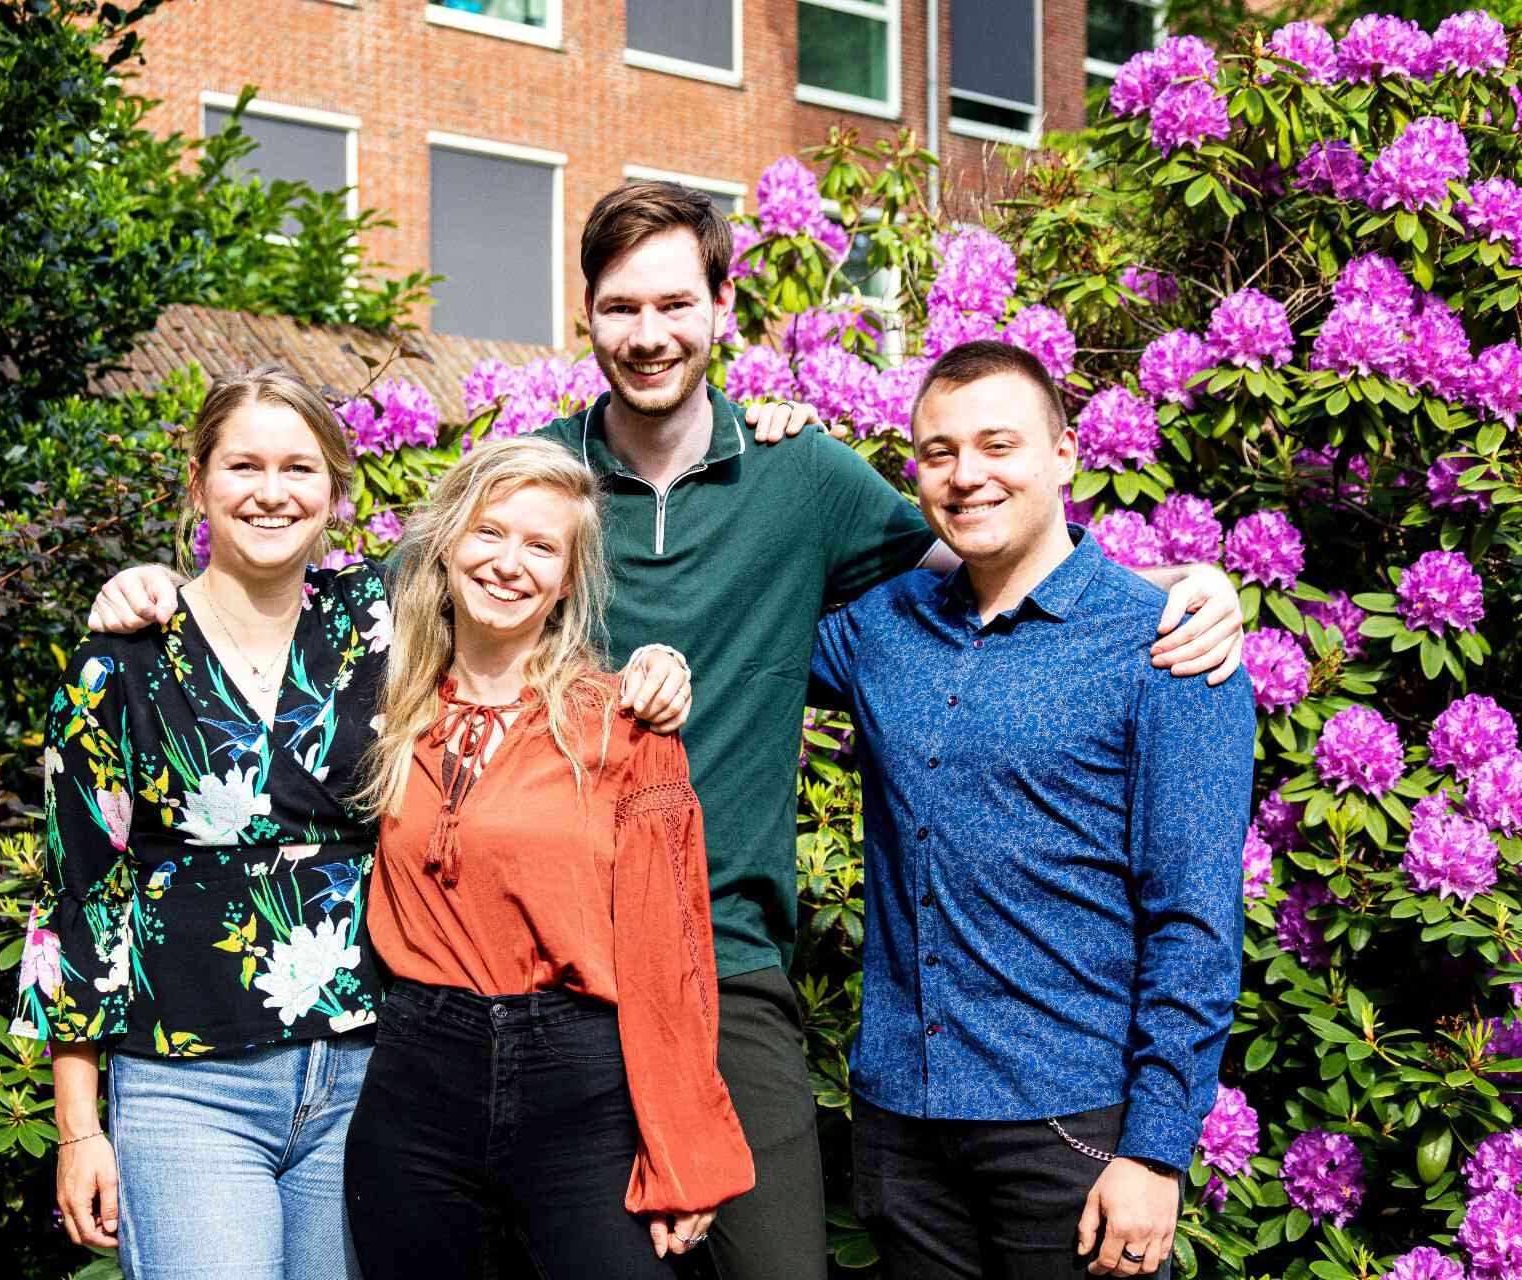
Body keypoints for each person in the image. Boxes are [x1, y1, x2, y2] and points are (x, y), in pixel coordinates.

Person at [85, 182, 1248, 1280]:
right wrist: (159, 593)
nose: (650, 332)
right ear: (584, 314)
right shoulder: (535, 478)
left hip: (724, 961)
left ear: (721, 310)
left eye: (676, 303)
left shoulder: (807, 479)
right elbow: (352, 606)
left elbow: (986, 561)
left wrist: (1171, 591)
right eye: (622, 306)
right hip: (523, 978)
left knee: (773, 1260)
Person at [10, 367, 694, 1280]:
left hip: (367, 1076)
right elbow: (77, 895)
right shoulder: (121, 664)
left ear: (336, 491)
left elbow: (518, 626)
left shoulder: (374, 629)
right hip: (190, 1084)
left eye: (299, 469)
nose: (270, 492)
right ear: (199, 479)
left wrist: (655, 664)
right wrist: (79, 1128)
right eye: (243, 465)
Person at [809, 340, 1256, 1279]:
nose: (967, 475)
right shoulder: (881, 630)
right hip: (903, 1129)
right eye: (939, 452)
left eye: (997, 445)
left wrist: (1154, 1150)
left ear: (1064, 454)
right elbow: (740, 635)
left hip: (1074, 1133)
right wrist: (767, 445)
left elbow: (1196, 919)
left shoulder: (1166, 648)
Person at [342, 436, 753, 1278]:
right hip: (417, 1081)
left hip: (581, 1086)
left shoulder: (624, 726)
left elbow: (668, 950)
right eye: (489, 533)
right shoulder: (380, 707)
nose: (508, 563)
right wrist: (159, 589)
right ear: (448, 545)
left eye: (541, 546)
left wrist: (684, 1152)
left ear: (568, 580)